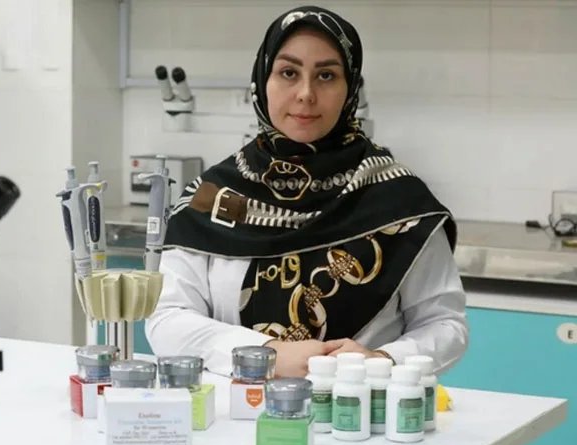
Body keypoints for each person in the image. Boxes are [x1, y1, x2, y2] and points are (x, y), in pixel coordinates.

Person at [145, 5, 468, 378]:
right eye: (288, 73)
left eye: (326, 75)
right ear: (263, 79)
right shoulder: (214, 197)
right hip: (237, 408)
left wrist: (383, 360)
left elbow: (445, 324)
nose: (306, 94)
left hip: (361, 407)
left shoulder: (399, 201)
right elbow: (167, 317)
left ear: (350, 88)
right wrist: (264, 354)